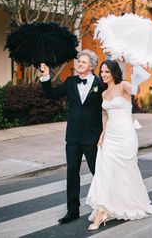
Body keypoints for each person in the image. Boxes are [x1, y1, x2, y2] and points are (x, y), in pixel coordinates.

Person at [86, 60, 152, 230]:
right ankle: (102, 209)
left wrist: (136, 73)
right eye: (102, 71)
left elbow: (136, 90)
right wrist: (102, 135)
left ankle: (123, 205)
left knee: (125, 171)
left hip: (126, 136)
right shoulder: (104, 93)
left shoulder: (124, 85)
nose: (103, 75)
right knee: (105, 172)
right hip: (110, 136)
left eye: (107, 72)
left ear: (114, 73)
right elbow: (106, 117)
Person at [39, 50, 104, 224]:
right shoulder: (70, 82)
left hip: (93, 137)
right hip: (73, 137)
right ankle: (72, 211)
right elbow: (51, 95)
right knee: (72, 174)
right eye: (78, 61)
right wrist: (46, 75)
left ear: (92, 65)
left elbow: (109, 109)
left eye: (83, 62)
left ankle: (105, 206)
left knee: (98, 173)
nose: (79, 64)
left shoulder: (100, 83)